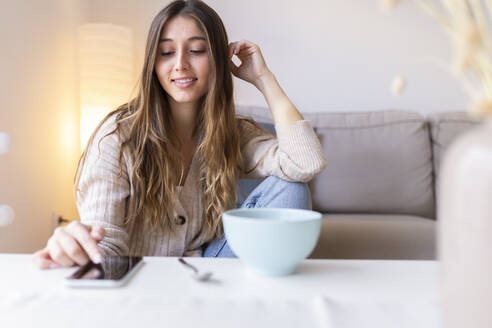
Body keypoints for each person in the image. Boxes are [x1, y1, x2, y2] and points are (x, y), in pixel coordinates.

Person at [33, 0, 327, 269]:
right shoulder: (117, 137)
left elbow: (305, 164)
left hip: (213, 270)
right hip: (144, 278)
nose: (180, 64)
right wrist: (79, 248)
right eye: (166, 52)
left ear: (218, 61)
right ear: (153, 63)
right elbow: (106, 243)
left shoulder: (231, 131)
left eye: (197, 50)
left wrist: (264, 79)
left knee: (292, 189)